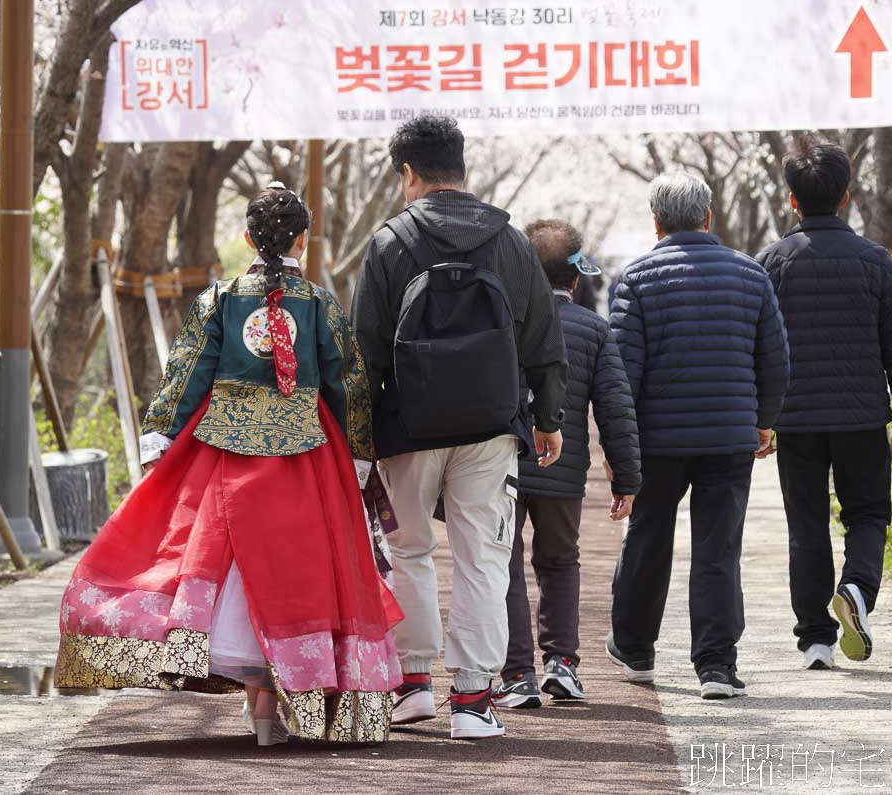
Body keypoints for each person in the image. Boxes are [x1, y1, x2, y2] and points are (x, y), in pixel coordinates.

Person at [53, 184, 403, 747]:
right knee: (295, 572)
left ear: (246, 238)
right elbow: (348, 384)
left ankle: (259, 714)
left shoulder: (217, 300)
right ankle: (275, 709)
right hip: (306, 456)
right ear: (303, 240)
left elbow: (188, 368)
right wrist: (358, 453)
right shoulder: (320, 305)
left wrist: (160, 434)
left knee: (230, 566)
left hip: (223, 453)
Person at [352, 115, 567, 739]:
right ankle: (474, 700)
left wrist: (361, 440)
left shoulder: (390, 242)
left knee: (409, 551)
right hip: (491, 425)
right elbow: (540, 336)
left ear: (409, 173)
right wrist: (549, 418)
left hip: (407, 427)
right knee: (484, 558)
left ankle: (413, 686)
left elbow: (364, 351)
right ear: (462, 166)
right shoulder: (509, 241)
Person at [606, 172, 789, 701]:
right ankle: (716, 667)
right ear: (708, 217)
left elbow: (623, 372)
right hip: (729, 438)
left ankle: (636, 649)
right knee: (718, 548)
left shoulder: (636, 278)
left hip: (658, 440)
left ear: (656, 221)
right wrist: (763, 418)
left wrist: (623, 446)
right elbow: (775, 361)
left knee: (648, 535)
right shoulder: (750, 275)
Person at [756, 138, 892, 670]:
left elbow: (757, 347)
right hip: (862, 417)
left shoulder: (771, 264)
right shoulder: (875, 262)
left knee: (805, 524)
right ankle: (856, 589)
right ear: (847, 195)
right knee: (868, 515)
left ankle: (816, 641)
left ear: (791, 200)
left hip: (797, 418)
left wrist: (761, 418)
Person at [494, 220, 641, 710]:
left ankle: (517, 674)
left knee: (506, 563)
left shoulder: (504, 323)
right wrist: (626, 474)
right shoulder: (594, 330)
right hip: (564, 470)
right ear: (576, 278)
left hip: (505, 465)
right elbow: (616, 409)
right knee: (560, 562)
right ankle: (562, 663)